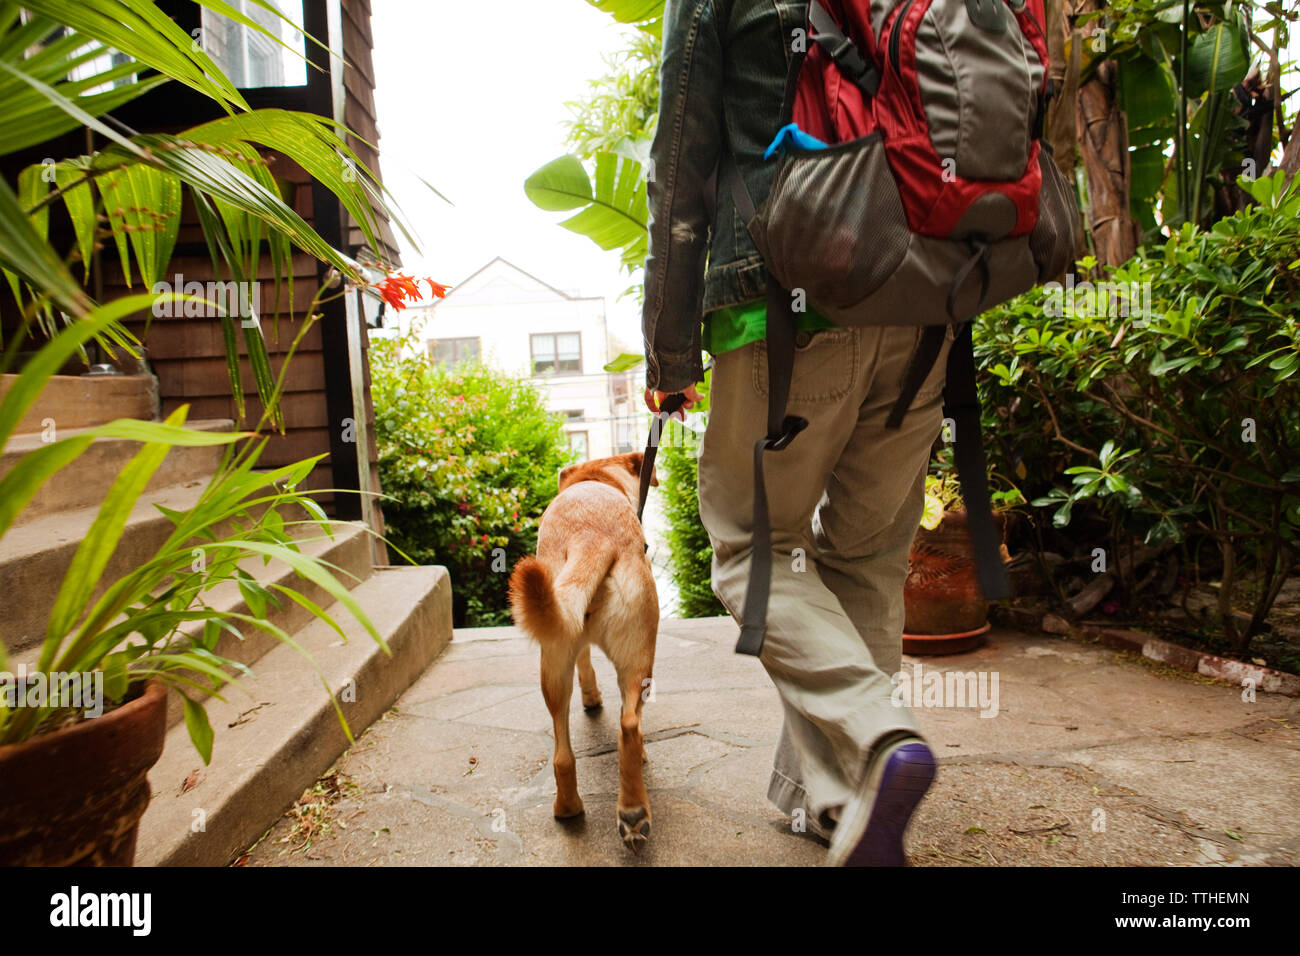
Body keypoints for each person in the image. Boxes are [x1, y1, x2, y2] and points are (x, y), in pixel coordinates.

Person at [641, 0, 952, 866]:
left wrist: (670, 350)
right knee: (865, 559)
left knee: (751, 548)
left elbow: (680, 164)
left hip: (791, 300)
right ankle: (836, 806)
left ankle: (878, 735)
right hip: (928, 304)